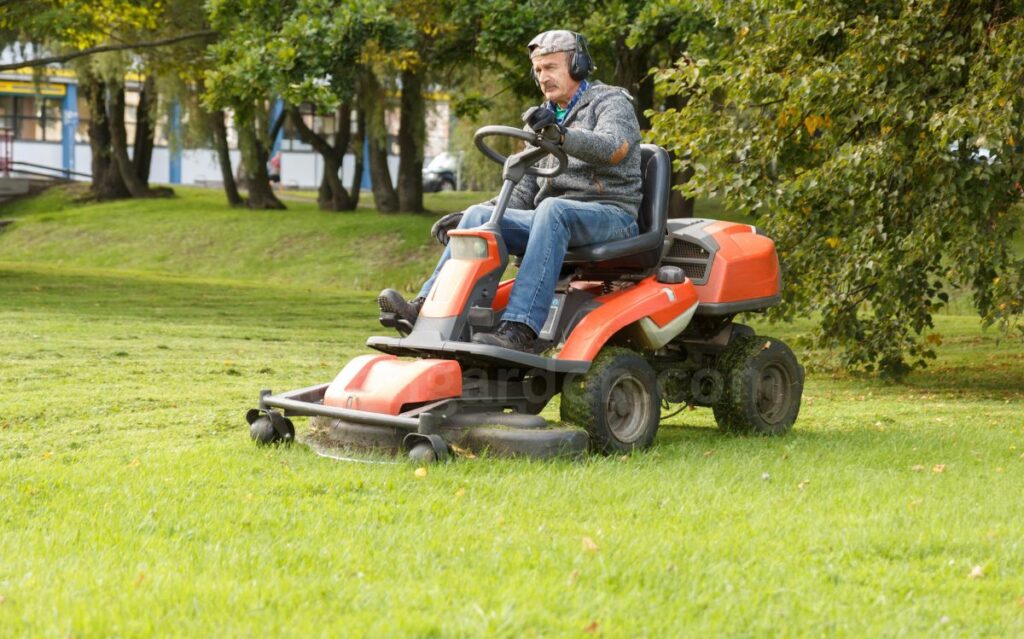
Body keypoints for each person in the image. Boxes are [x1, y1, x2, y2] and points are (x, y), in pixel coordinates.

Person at [379, 29, 643, 351]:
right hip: (555, 217)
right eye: (538, 70)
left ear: (577, 65)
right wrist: (469, 219)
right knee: (479, 215)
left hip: (612, 213)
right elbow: (523, 188)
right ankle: (424, 309)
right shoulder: (542, 119)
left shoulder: (610, 101)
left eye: (551, 67)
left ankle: (519, 328)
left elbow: (614, 148)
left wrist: (561, 136)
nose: (543, 77)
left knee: (551, 210)